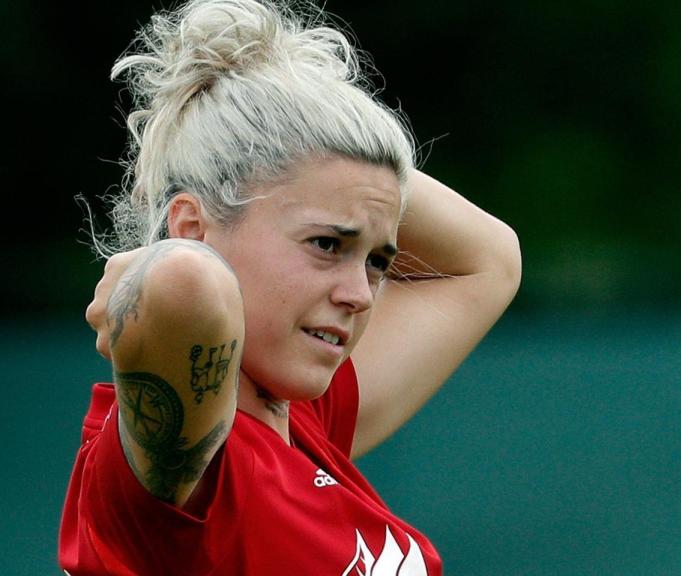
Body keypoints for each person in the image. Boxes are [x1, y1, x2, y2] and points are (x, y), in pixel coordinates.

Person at [58, 0, 521, 574]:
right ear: (190, 228)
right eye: (328, 244)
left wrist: (291, 114)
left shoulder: (306, 421)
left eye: (377, 259)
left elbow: (490, 258)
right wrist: (160, 267)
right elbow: (185, 284)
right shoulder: (188, 473)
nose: (361, 293)